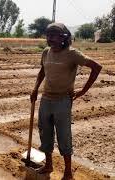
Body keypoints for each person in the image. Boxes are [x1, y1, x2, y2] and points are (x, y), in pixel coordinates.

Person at [30, 23, 102, 180]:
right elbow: (42, 70)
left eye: (54, 36)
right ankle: (48, 165)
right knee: (45, 133)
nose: (50, 39)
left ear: (64, 37)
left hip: (63, 101)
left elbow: (97, 67)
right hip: (46, 99)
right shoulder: (46, 52)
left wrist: (83, 91)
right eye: (48, 35)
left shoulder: (73, 54)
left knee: (64, 136)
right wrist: (35, 89)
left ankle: (68, 173)